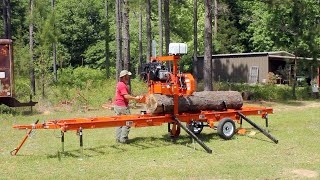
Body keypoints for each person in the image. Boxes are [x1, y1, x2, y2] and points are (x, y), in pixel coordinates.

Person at [114, 70, 141, 144]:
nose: (129, 77)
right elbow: (126, 96)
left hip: (117, 105)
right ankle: (123, 139)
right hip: (122, 107)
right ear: (124, 76)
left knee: (119, 123)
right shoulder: (122, 85)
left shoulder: (119, 84)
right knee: (128, 122)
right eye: (127, 75)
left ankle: (118, 139)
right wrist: (136, 98)